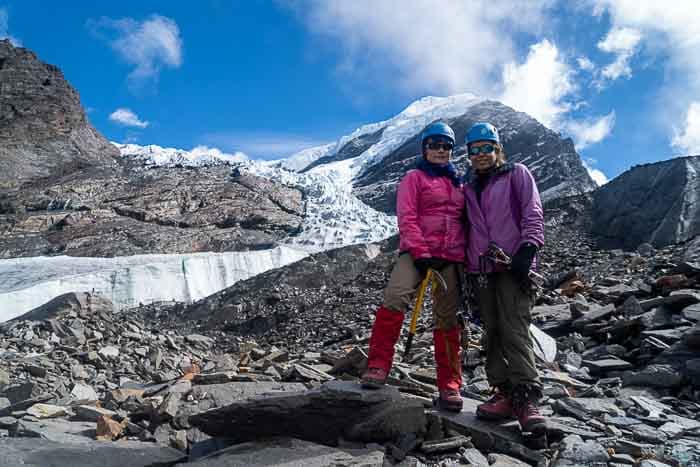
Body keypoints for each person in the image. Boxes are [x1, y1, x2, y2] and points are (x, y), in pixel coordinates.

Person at [361, 121, 466, 412]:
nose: (440, 150)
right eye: (434, 145)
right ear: (425, 148)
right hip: (417, 254)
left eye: (446, 146)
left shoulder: (460, 182)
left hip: (451, 258)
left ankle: (450, 384)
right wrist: (421, 252)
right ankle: (378, 365)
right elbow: (406, 217)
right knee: (395, 297)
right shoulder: (414, 177)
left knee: (447, 318)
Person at [462, 122, 546, 434]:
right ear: (469, 154)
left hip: (513, 265)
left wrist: (528, 248)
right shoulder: (468, 187)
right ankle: (503, 392)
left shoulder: (517, 174)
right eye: (475, 150)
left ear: (498, 149)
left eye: (487, 148)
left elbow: (532, 211)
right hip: (481, 269)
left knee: (514, 327)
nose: (481, 154)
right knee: (492, 332)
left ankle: (526, 397)